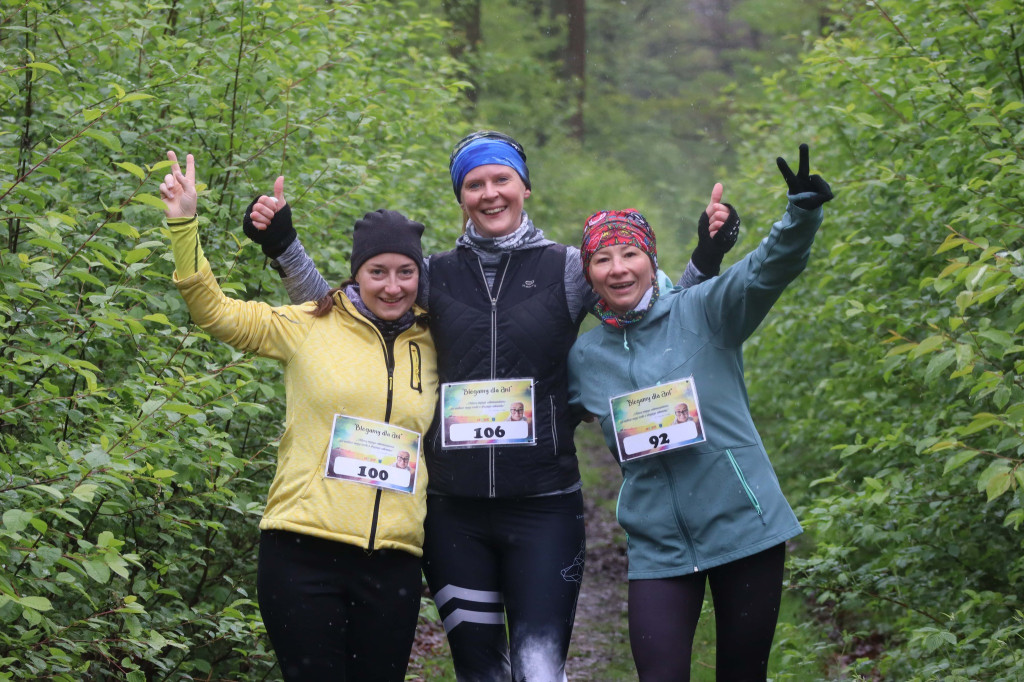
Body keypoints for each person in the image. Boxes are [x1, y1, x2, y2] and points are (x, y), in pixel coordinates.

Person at [243, 131, 740, 681]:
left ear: (524, 185)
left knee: (539, 669)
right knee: (481, 673)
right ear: (460, 197)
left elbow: (657, 316)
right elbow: (340, 315)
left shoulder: (570, 269)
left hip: (545, 504)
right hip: (456, 512)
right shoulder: (432, 274)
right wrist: (284, 245)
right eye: (474, 184)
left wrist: (708, 255)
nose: (490, 193)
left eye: (501, 179)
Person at [158, 151, 437, 682]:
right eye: (377, 272)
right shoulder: (311, 323)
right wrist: (183, 224)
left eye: (406, 272)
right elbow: (213, 312)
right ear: (357, 274)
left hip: (394, 559)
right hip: (303, 551)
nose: (393, 285)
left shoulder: (436, 338)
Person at [567, 144, 833, 681]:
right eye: (602, 259)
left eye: (630, 255)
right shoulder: (584, 359)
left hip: (744, 526)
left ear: (651, 259)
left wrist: (800, 214)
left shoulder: (705, 309)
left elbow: (765, 270)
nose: (618, 270)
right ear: (588, 274)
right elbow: (541, 427)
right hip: (658, 547)